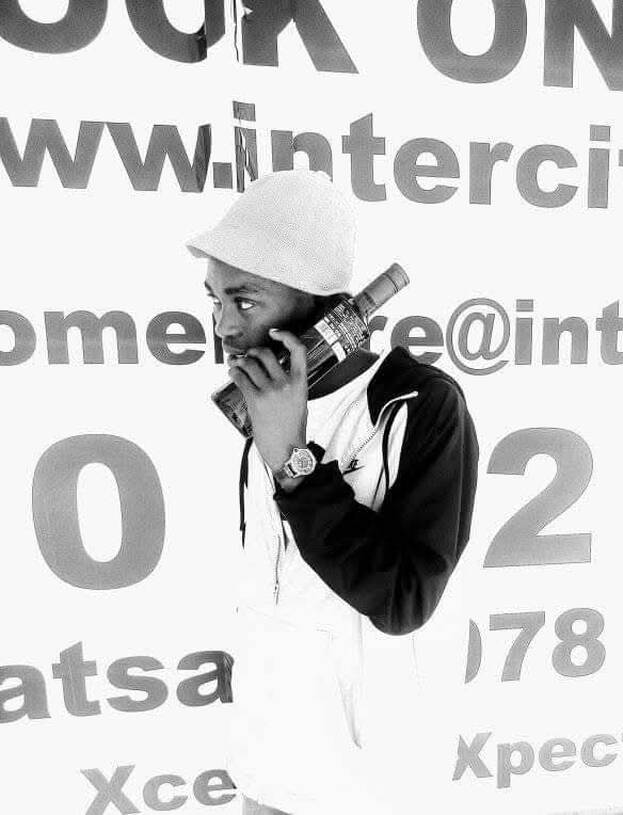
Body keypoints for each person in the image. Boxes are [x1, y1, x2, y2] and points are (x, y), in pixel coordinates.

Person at [186, 169, 479, 815]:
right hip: (266, 763)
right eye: (214, 300)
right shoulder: (263, 408)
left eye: (245, 301)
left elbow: (404, 600)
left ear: (323, 308)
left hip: (365, 783)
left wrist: (295, 463)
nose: (224, 326)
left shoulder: (418, 404)